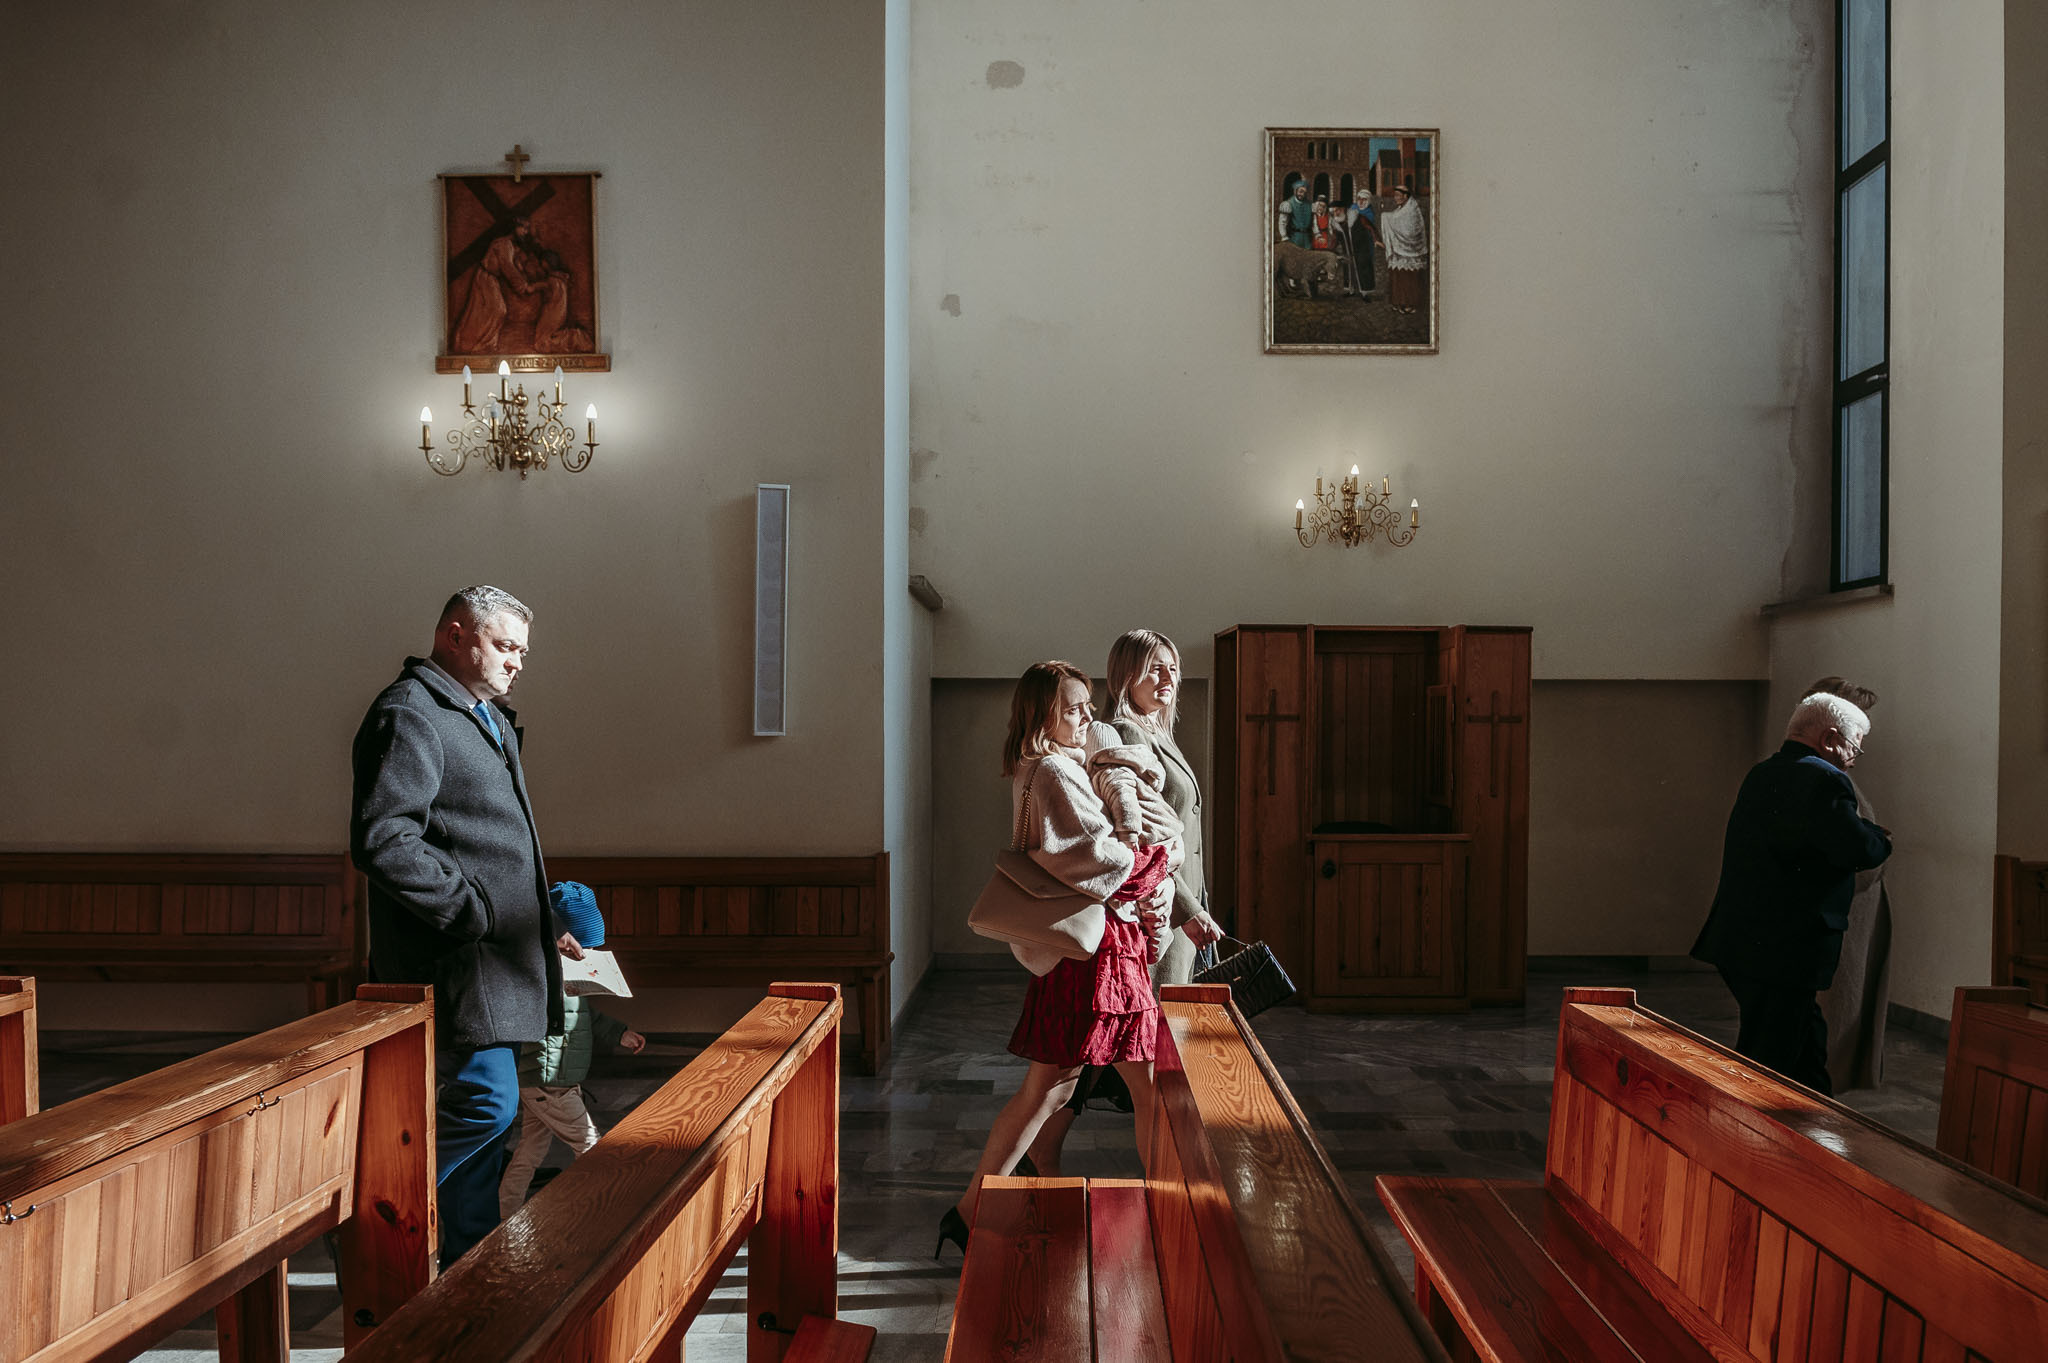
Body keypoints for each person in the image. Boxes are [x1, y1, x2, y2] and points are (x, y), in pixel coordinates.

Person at [350, 585, 563, 1266]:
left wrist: (539, 924)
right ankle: (374, 1223)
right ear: (455, 635)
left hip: (500, 958)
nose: (517, 661)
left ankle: (470, 1261)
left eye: (523, 651)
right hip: (458, 958)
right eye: (505, 645)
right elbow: (385, 839)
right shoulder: (410, 712)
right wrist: (472, 910)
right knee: (488, 1104)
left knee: (492, 1116)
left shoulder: (482, 715)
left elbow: (496, 845)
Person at [938, 662, 1172, 1256]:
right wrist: (1158, 860)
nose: (1087, 716)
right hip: (1099, 954)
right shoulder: (1052, 772)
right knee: (1138, 1087)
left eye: (1088, 704)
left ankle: (967, 1215)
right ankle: (1171, 1212)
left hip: (1094, 951)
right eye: (1074, 708)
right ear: (1044, 715)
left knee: (1055, 1089)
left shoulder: (1050, 765)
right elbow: (1097, 860)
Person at [1025, 630, 1223, 1175]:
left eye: (1173, 667)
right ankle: (1166, 1178)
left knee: (1102, 1055)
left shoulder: (1158, 732)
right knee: (1124, 1053)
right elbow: (1141, 837)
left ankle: (1039, 1159)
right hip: (1156, 913)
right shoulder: (1123, 734)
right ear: (1125, 676)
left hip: (1171, 904)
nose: (1167, 677)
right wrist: (1189, 910)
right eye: (1154, 667)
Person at [1690, 692, 1892, 1094]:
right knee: (1768, 1061)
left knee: (1805, 1049)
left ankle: (1820, 1121)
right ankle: (1746, 1127)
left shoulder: (1763, 772)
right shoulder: (1825, 779)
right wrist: (1879, 837)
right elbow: (1857, 849)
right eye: (1854, 748)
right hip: (1787, 948)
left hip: (1745, 941)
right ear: (1830, 739)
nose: (1854, 759)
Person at [497, 881, 648, 1219]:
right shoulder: (538, 972)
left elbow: (584, 1015)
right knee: (591, 1146)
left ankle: (504, 1214)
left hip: (551, 1079)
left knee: (529, 1153)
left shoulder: (568, 974)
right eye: (580, 947)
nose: (584, 954)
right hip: (548, 1079)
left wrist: (619, 1033)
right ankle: (598, 1216)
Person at [1805, 677, 1893, 1091]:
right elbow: (1844, 851)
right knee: (1836, 1013)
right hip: (1842, 916)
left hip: (1856, 917)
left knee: (1845, 1011)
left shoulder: (1836, 777)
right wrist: (1877, 843)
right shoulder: (1828, 779)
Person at [451, 218, 541, 354]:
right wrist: (523, 286)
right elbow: (508, 268)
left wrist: (521, 270)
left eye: (527, 229)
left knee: (487, 311)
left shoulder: (509, 245)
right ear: (514, 227)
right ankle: (476, 345)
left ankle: (481, 344)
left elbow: (512, 265)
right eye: (523, 228)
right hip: (485, 278)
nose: (525, 232)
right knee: (497, 310)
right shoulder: (503, 244)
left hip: (490, 279)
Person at [1381, 184, 1429, 315]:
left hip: (1411, 252)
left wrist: (1387, 218)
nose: (1395, 198)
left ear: (1406, 196)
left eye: (1398, 195)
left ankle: (1409, 304)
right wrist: (1386, 216)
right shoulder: (1401, 208)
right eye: (1395, 195)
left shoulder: (1412, 209)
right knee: (1398, 276)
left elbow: (1409, 231)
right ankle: (1398, 302)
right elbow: (1395, 217)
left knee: (1409, 279)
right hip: (1399, 252)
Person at [1344, 187, 1381, 298]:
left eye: (1364, 199)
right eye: (1359, 199)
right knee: (1351, 265)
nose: (1360, 201)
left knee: (1364, 266)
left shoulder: (1369, 213)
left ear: (1368, 201)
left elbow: (1371, 229)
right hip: (1352, 242)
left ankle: (1365, 292)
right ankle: (1352, 289)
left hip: (1364, 244)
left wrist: (1375, 239)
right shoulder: (1353, 208)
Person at [1277, 180, 1314, 248]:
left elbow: (1314, 222)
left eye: (1305, 192)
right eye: (1300, 192)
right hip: (1294, 237)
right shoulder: (1288, 204)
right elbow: (1282, 222)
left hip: (1307, 238)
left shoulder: (1310, 204)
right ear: (1295, 191)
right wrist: (1284, 236)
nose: (1302, 194)